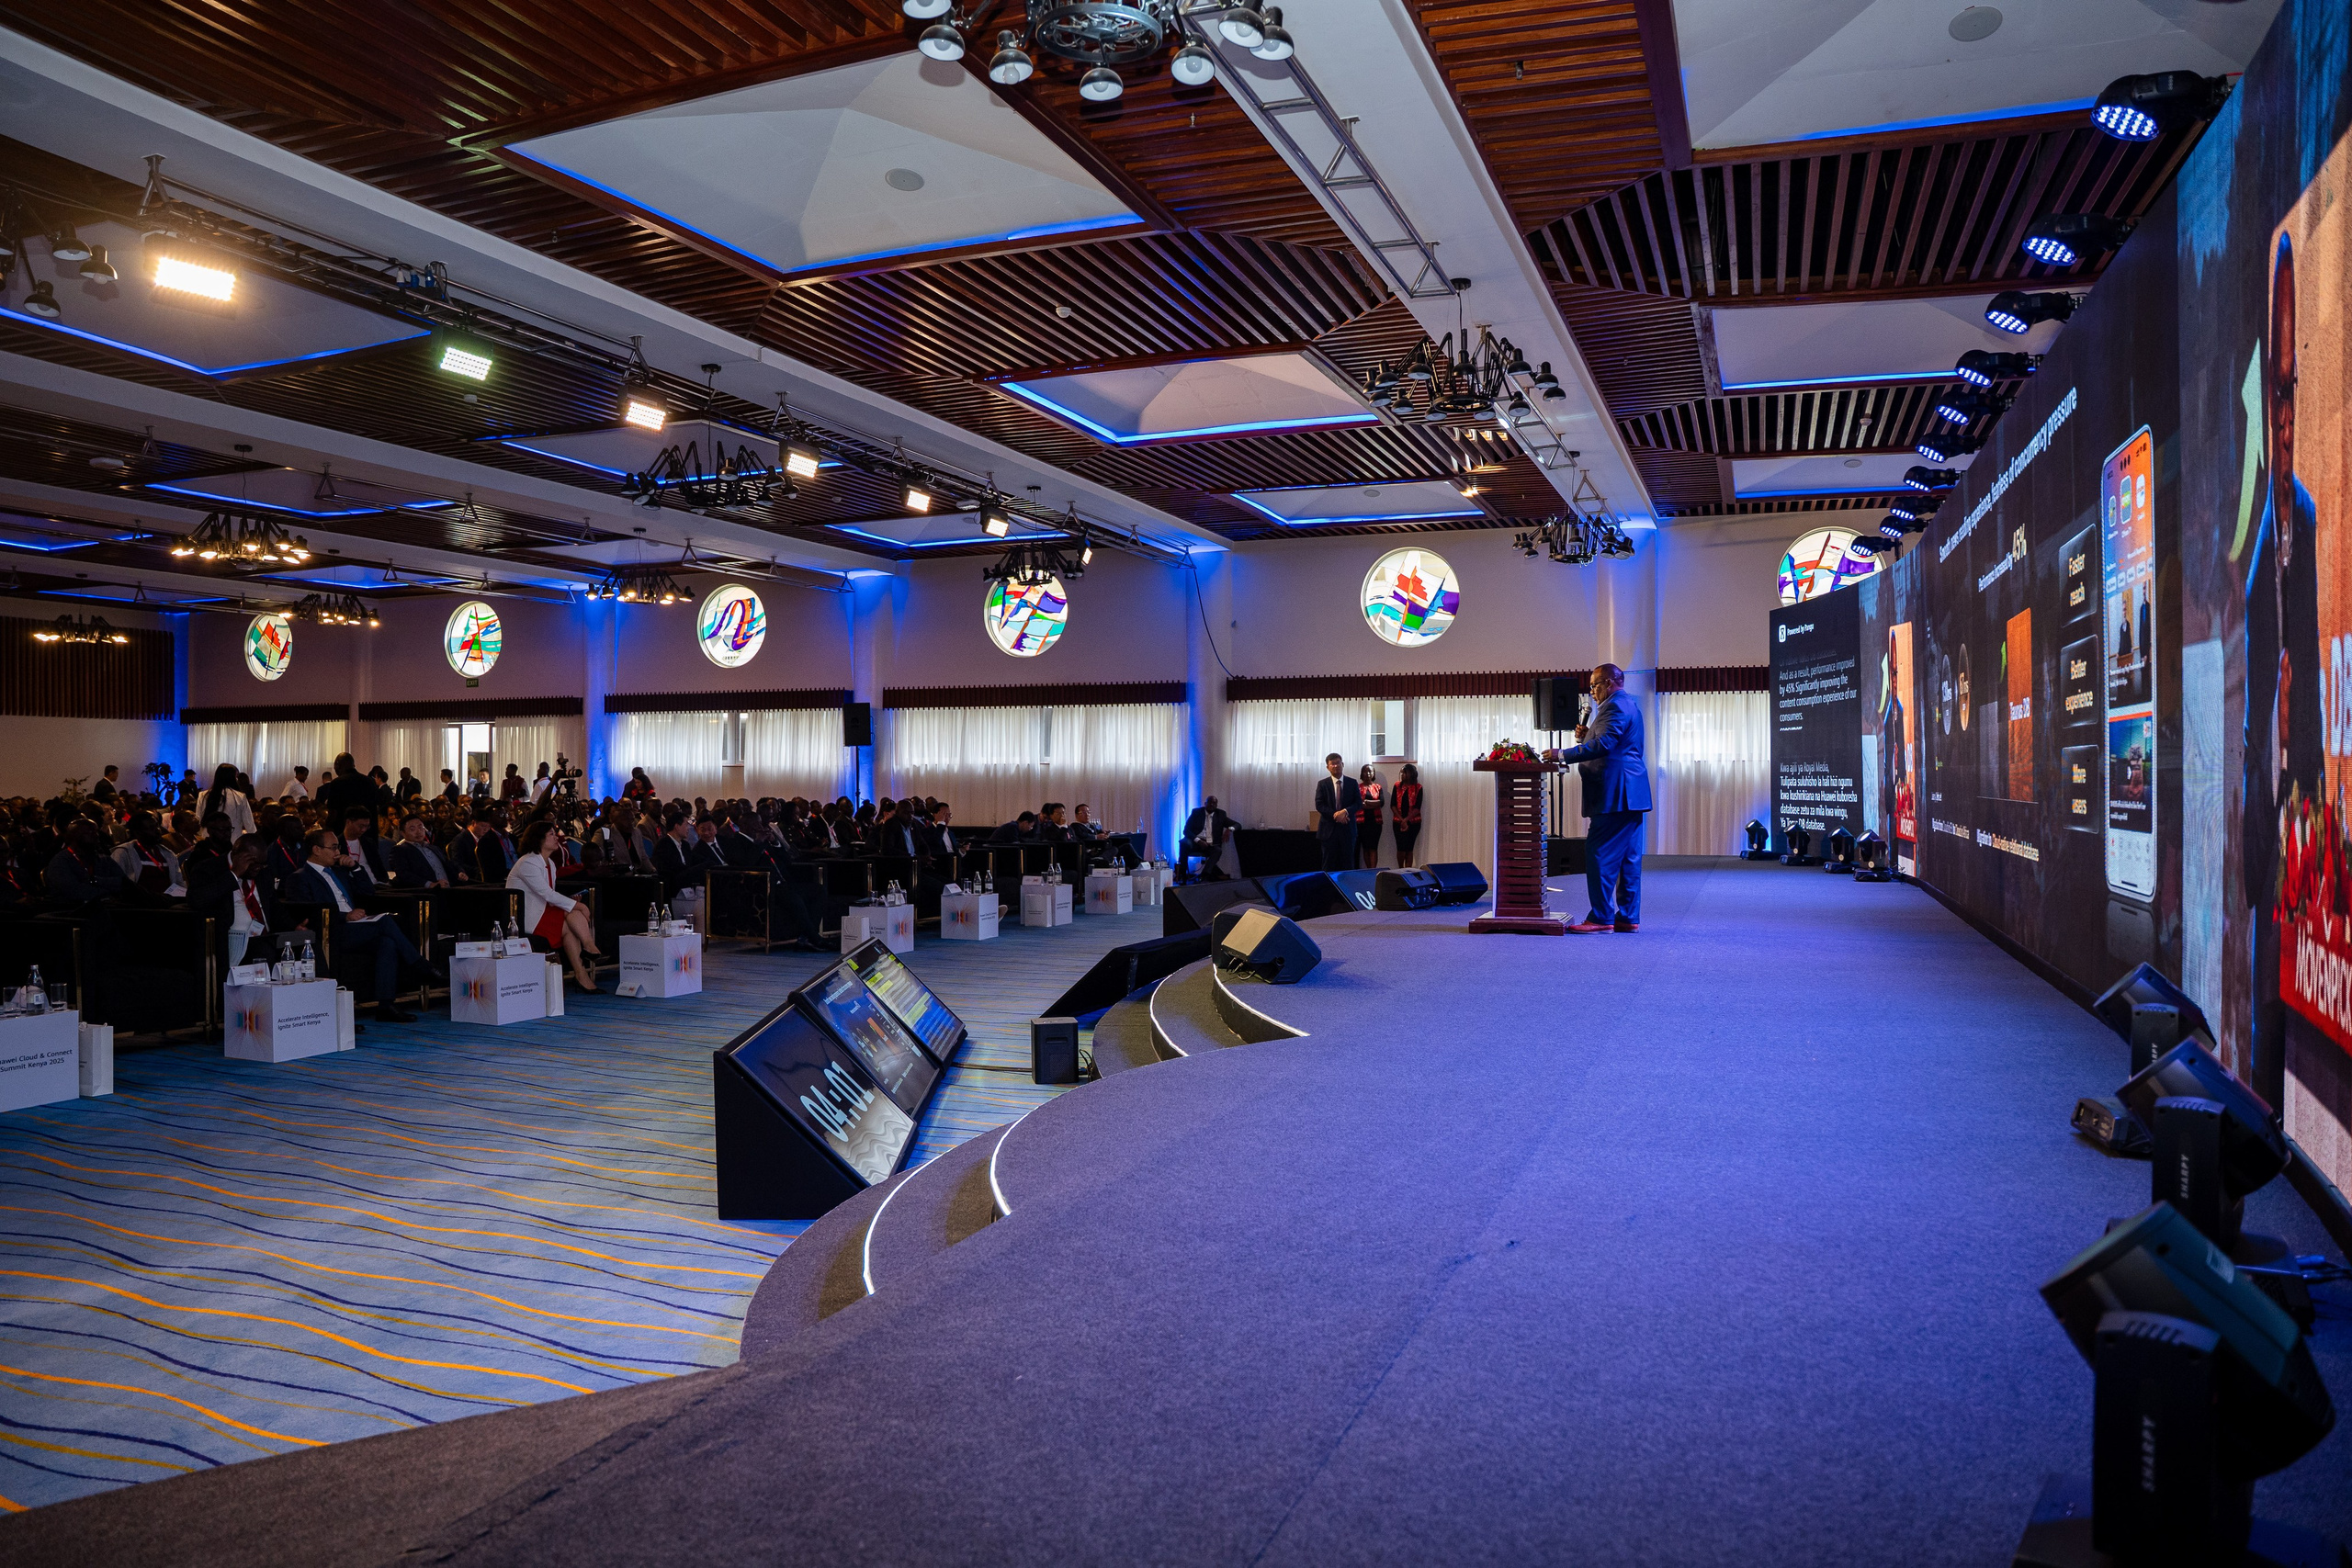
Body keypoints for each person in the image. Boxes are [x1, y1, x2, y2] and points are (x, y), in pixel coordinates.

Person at [277, 829, 432, 1022]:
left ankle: (386, 1006)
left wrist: (355, 868)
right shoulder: (299, 877)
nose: (337, 852)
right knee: (384, 921)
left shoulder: (340, 872)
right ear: (316, 849)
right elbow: (308, 912)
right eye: (333, 847)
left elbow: (368, 893)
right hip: (332, 930)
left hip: (356, 928)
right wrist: (345, 916)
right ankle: (419, 964)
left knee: (387, 943)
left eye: (338, 847)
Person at [1549, 663, 1652, 933]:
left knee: (1599, 854)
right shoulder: (1626, 704)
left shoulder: (1615, 706)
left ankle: (1601, 917)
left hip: (1616, 793)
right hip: (1630, 793)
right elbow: (1610, 741)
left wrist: (1563, 754)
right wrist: (1586, 737)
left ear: (1608, 683)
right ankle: (1628, 917)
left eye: (1594, 685)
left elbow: (1605, 745)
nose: (1592, 692)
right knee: (1629, 859)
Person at [510, 819, 602, 990]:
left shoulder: (550, 863)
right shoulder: (528, 862)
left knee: (571, 918)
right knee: (572, 918)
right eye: (551, 834)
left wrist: (573, 903)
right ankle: (586, 956)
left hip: (545, 911)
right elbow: (547, 894)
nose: (556, 838)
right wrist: (579, 906)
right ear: (539, 839)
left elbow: (549, 895)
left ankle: (585, 959)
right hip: (530, 916)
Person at [112, 811, 183, 896]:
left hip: (167, 902)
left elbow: (179, 883)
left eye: (157, 826)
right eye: (151, 828)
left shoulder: (168, 854)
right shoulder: (123, 853)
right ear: (138, 833)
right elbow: (116, 884)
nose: (158, 830)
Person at [1313, 753, 1361, 874]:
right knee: (1328, 864)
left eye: (1338, 763)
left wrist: (1345, 812)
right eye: (1332, 764)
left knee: (1348, 864)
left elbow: (1358, 803)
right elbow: (1319, 805)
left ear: (1343, 764)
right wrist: (1336, 815)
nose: (1336, 766)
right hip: (1328, 831)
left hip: (1348, 830)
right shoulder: (1322, 784)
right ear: (1327, 767)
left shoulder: (1352, 783)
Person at [390, 815, 458, 887]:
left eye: (420, 827)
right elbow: (403, 874)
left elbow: (449, 863)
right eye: (412, 829)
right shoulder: (399, 850)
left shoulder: (433, 848)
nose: (418, 832)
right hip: (426, 892)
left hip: (450, 888)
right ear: (403, 833)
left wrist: (460, 872)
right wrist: (429, 884)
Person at [452, 808, 511, 886]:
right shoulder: (461, 840)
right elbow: (456, 862)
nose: (486, 829)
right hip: (473, 879)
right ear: (473, 823)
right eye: (483, 826)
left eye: (488, 827)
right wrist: (479, 870)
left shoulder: (488, 839)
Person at [1182, 795, 1231, 882]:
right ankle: (1183, 876)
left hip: (1211, 844)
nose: (1211, 804)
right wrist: (1198, 840)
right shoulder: (1196, 812)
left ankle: (1204, 875)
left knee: (1218, 850)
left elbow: (1238, 825)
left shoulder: (1221, 814)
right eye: (1210, 802)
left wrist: (1229, 829)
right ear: (1205, 804)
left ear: (1216, 805)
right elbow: (1186, 831)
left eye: (1214, 803)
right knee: (1183, 844)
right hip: (1196, 843)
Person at [316, 754, 377, 822]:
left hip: (345, 827)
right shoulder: (370, 781)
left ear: (337, 766)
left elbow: (333, 812)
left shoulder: (337, 783)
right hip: (368, 827)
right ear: (353, 765)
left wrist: (327, 827)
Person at [202, 763, 257, 838]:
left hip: (208, 840)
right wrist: (255, 840)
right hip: (233, 840)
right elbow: (249, 824)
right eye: (236, 777)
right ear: (232, 778)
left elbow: (199, 819)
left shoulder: (203, 795)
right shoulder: (240, 797)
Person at [1390, 764, 1424, 867]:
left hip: (1414, 822)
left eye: (1404, 772)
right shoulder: (1397, 786)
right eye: (1401, 773)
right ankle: (1400, 869)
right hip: (1398, 822)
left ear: (1411, 773)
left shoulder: (1418, 788)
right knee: (1401, 848)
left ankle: (1408, 870)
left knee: (1409, 848)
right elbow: (1393, 805)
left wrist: (1407, 820)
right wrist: (1402, 820)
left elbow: (1418, 807)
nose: (1402, 775)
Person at [1355, 765, 1385, 870]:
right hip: (1361, 822)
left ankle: (1373, 870)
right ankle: (1368, 870)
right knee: (1365, 848)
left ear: (1373, 774)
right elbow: (1358, 804)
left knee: (1373, 848)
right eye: (1365, 772)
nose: (1368, 774)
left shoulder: (1378, 787)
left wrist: (1366, 802)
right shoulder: (1357, 787)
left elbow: (1381, 803)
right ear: (1361, 774)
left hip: (1375, 823)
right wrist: (1372, 804)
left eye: (1370, 772)